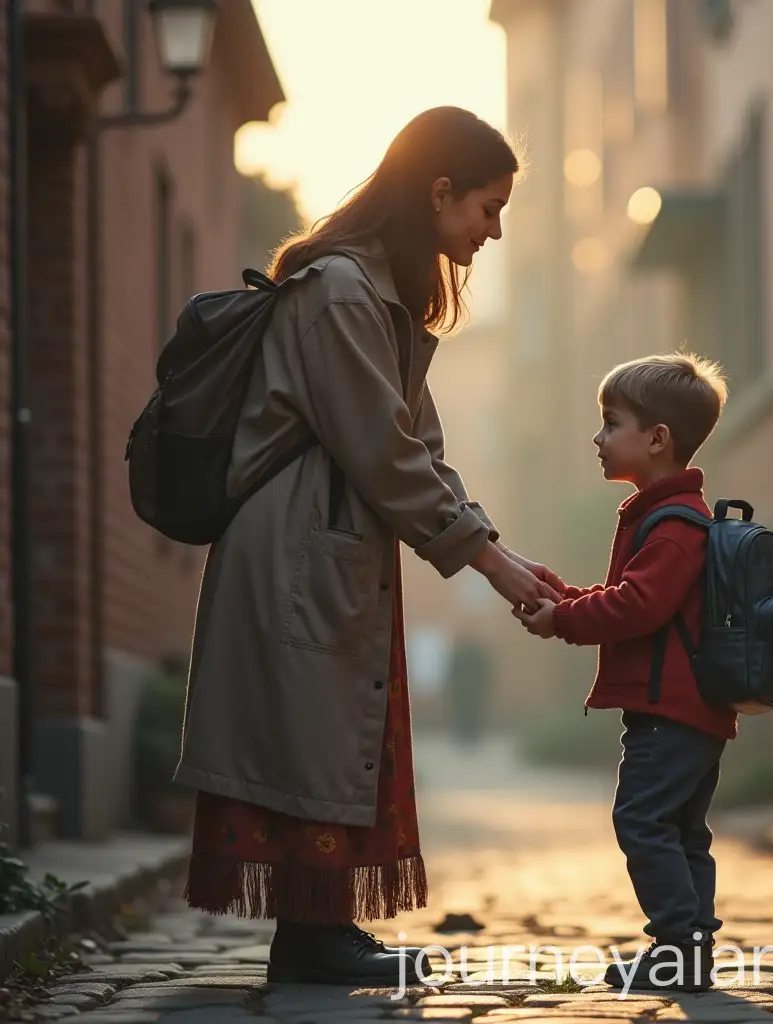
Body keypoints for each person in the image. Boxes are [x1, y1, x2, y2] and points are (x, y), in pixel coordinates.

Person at [173, 107, 564, 986]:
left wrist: (496, 545)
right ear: (438, 192)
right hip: (297, 548)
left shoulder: (378, 298)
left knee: (338, 732)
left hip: (332, 543)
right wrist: (493, 566)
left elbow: (418, 447)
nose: (494, 231)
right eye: (488, 208)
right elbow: (386, 454)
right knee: (315, 735)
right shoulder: (340, 291)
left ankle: (317, 933)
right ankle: (312, 937)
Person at [514, 352, 737, 992]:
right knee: (683, 831)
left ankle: (676, 950)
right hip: (688, 712)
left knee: (642, 822)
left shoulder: (673, 525)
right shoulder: (666, 516)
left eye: (611, 423)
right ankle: (689, 955)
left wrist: (564, 621)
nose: (598, 437)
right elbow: (635, 598)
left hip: (670, 712)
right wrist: (563, 595)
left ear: (657, 439)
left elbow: (639, 606)